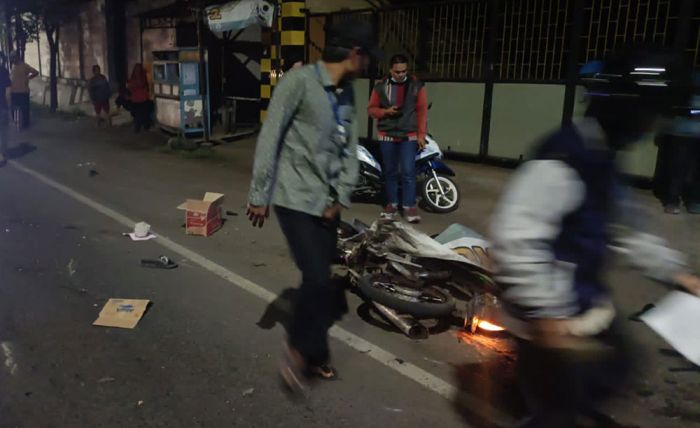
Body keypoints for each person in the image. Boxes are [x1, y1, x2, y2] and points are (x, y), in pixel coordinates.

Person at [490, 47, 700, 428]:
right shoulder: (565, 158)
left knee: (616, 369)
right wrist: (545, 314)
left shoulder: (600, 155)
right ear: (630, 110)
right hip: (551, 310)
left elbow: (623, 227)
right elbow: (515, 237)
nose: (652, 127)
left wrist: (677, 274)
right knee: (560, 407)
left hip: (577, 302)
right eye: (652, 115)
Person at [246, 19, 380, 393]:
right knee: (319, 278)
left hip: (327, 203)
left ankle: (316, 353)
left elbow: (349, 149)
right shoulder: (298, 83)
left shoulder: (348, 93)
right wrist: (259, 195)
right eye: (368, 58)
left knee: (319, 283)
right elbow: (270, 136)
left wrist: (341, 195)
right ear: (355, 54)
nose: (370, 66)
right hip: (294, 196)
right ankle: (300, 351)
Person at [368, 53, 428, 224]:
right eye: (397, 72)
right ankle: (392, 204)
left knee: (409, 172)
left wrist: (421, 135)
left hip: (408, 135)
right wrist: (384, 112)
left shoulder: (417, 85)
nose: (401, 75)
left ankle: (409, 206)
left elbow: (422, 110)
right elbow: (371, 109)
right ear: (390, 70)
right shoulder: (380, 86)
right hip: (386, 135)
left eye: (403, 71)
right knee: (390, 172)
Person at [9, 51, 38, 129]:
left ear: (18, 57)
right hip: (14, 91)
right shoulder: (12, 66)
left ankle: (26, 124)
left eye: (14, 57)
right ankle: (16, 122)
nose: (13, 59)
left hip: (23, 91)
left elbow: (35, 72)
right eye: (11, 58)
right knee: (13, 108)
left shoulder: (24, 66)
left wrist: (28, 78)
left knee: (25, 109)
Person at [127, 64, 152, 133]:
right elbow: (130, 87)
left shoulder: (142, 77)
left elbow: (141, 85)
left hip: (142, 99)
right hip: (137, 99)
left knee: (143, 114)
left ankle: (143, 127)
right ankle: (139, 127)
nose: (137, 71)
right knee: (138, 115)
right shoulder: (135, 77)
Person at [0, 53, 11, 167]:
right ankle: (2, 155)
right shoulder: (3, 71)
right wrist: (8, 104)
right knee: (3, 132)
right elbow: (8, 90)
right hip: (2, 106)